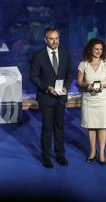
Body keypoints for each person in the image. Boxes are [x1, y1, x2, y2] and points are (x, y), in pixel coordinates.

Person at [29, 27, 74, 168]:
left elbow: (70, 73)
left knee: (60, 127)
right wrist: (46, 88)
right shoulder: (38, 55)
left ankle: (60, 155)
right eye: (51, 38)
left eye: (57, 38)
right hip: (46, 97)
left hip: (61, 98)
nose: (55, 41)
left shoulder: (65, 53)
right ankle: (46, 157)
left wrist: (66, 86)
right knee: (47, 128)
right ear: (45, 39)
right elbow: (33, 76)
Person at [76, 38, 106, 165]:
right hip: (89, 99)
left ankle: (102, 153)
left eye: (100, 49)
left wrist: (103, 86)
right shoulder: (83, 64)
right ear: (90, 49)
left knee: (102, 127)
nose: (98, 51)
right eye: (96, 49)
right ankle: (92, 151)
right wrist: (86, 85)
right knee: (91, 127)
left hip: (102, 99)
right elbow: (79, 82)